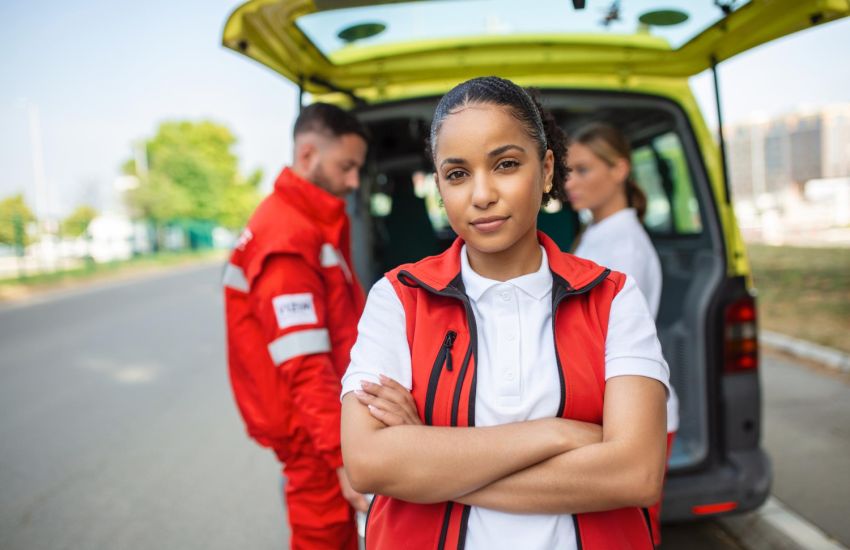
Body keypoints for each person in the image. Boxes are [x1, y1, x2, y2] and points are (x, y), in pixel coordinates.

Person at [340, 76, 669, 549]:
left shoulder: (613, 296)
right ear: (439, 186)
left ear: (548, 168)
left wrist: (429, 461)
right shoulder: (398, 297)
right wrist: (557, 434)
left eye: (506, 164)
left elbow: (635, 474)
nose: (481, 194)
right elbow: (369, 463)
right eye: (457, 174)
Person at [223, 103, 369, 549]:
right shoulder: (286, 237)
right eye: (346, 166)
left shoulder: (307, 222)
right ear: (307, 156)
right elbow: (303, 364)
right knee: (322, 536)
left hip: (320, 426)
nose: (353, 182)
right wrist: (343, 460)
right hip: (313, 432)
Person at [567, 121, 679, 545]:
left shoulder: (623, 247)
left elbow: (602, 343)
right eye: (567, 172)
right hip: (611, 411)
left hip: (630, 417)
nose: (569, 182)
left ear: (619, 170)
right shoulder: (598, 234)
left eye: (583, 170)